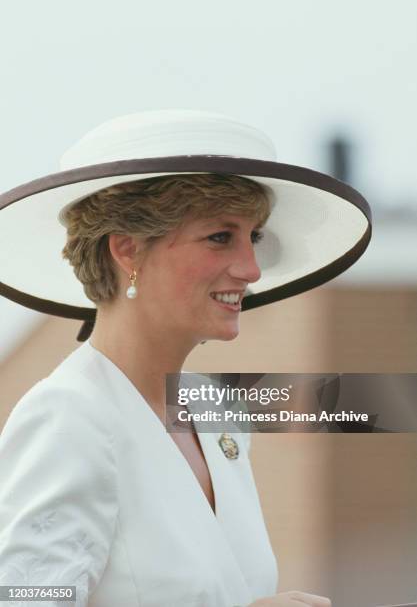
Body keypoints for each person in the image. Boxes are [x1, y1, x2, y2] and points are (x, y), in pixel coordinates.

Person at [0, 110, 371, 606]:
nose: (252, 269)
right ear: (128, 249)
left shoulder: (215, 411)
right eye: (220, 237)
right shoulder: (68, 415)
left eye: (253, 237)